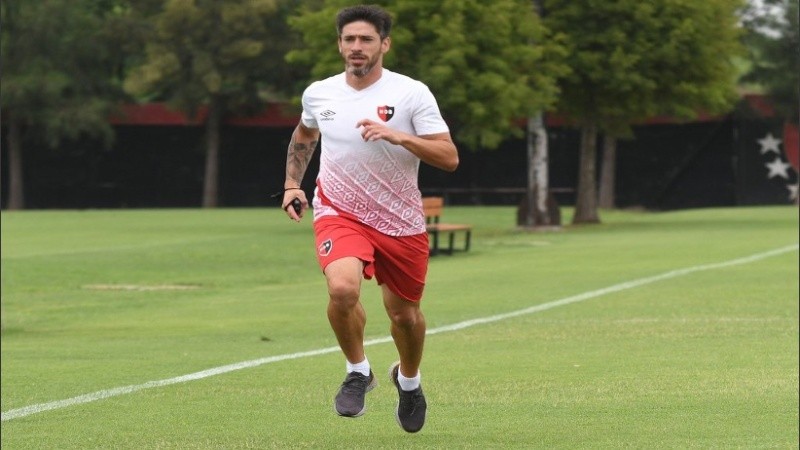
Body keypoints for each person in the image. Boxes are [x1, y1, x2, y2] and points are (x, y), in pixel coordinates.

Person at [280, 4, 458, 433]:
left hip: (400, 221)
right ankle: (358, 370)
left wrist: (400, 136)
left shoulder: (411, 93)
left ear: (384, 44)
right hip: (339, 211)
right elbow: (305, 133)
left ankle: (409, 382)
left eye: (366, 39)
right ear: (339, 45)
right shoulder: (319, 93)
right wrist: (291, 184)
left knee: (404, 317)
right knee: (342, 288)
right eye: (349, 39)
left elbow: (449, 157)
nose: (356, 47)